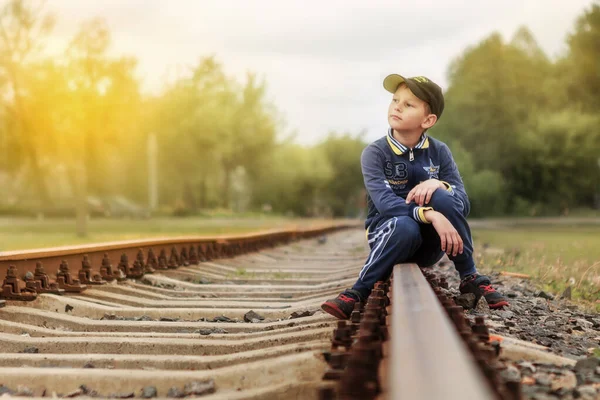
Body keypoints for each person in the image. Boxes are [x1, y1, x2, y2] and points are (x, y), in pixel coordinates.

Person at [321, 74, 509, 320]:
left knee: (442, 196)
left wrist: (437, 183)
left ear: (428, 120)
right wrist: (430, 215)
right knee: (405, 225)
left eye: (408, 104)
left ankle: (470, 277)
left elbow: (462, 202)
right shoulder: (375, 153)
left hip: (429, 246)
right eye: (395, 100)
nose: (397, 106)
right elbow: (385, 204)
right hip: (389, 234)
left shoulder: (439, 152)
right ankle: (358, 291)